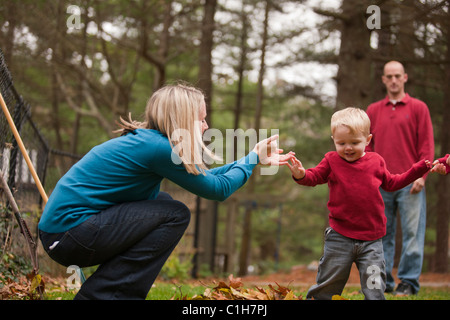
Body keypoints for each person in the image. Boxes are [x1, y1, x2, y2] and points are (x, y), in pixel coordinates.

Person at [38, 83, 292, 300]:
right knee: (175, 213)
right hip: (69, 236)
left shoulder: (151, 142)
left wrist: (251, 159)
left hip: (68, 233)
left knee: (164, 202)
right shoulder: (161, 149)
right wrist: (251, 158)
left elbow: (206, 178)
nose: (205, 126)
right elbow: (218, 189)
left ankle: (106, 291)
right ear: (181, 119)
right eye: (201, 119)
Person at [285, 107, 431, 300]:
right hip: (339, 237)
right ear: (333, 140)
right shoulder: (331, 160)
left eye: (355, 142)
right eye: (341, 143)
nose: (348, 148)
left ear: (368, 140)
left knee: (374, 286)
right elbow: (314, 177)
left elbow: (392, 182)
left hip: (371, 239)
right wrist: (301, 174)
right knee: (328, 282)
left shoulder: (376, 161)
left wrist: (418, 169)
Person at [366, 61, 435, 295]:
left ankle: (408, 282)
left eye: (397, 76)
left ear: (405, 77)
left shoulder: (418, 108)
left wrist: (422, 176)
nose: (393, 80)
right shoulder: (373, 110)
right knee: (380, 235)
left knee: (413, 234)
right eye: (389, 76)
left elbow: (426, 145)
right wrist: (369, 178)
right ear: (384, 80)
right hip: (381, 183)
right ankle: (382, 282)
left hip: (410, 183)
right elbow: (367, 147)